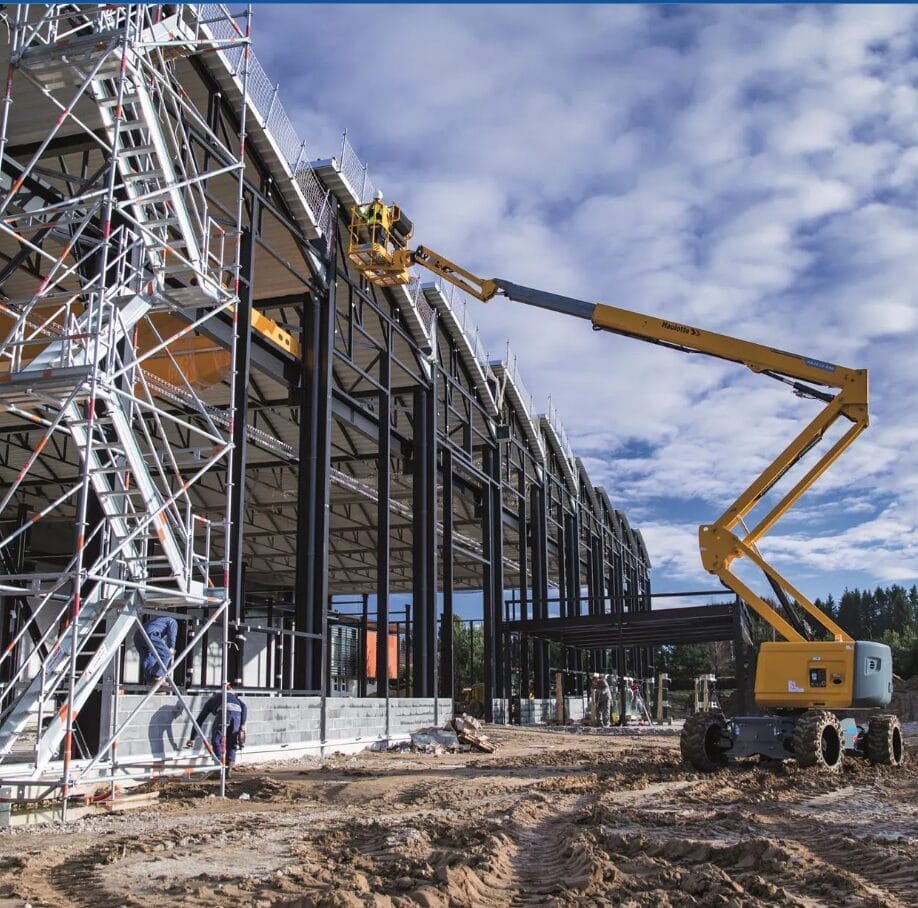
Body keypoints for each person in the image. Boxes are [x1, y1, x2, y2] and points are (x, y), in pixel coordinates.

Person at [185, 683, 248, 773]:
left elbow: (199, 720)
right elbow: (244, 707)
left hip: (224, 713)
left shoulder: (212, 700)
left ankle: (219, 765)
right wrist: (242, 724)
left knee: (216, 740)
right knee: (232, 742)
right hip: (237, 716)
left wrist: (192, 738)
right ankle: (228, 769)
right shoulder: (235, 698)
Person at [134, 615, 178, 683]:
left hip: (137, 635)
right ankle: (158, 677)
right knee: (166, 654)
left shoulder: (159, 621)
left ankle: (151, 679)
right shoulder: (172, 621)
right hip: (150, 634)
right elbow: (171, 636)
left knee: (148, 657)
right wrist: (172, 647)